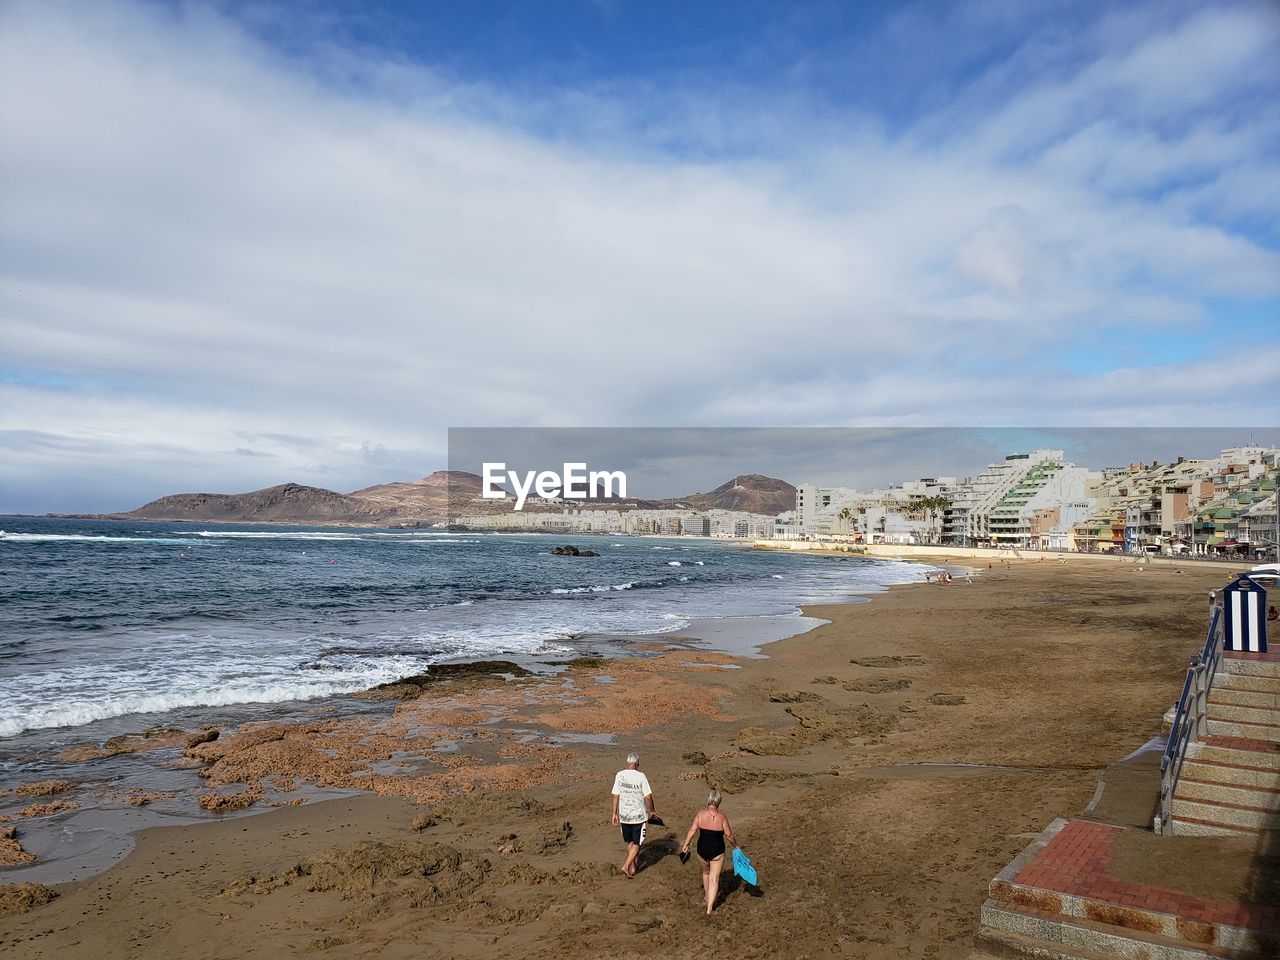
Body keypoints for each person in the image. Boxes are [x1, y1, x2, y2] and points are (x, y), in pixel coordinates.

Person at [681, 789, 738, 915]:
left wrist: (686, 844)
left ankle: (707, 897)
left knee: (706, 873)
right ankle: (709, 909)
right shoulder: (721, 817)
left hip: (702, 849)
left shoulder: (701, 814)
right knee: (714, 879)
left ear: (708, 800)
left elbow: (692, 830)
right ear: (718, 802)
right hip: (717, 851)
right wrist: (736, 846)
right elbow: (729, 835)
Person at [610, 752, 655, 878]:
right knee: (638, 843)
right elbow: (648, 796)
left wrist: (614, 813)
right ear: (637, 764)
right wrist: (652, 811)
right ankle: (626, 866)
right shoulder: (641, 776)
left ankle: (633, 866)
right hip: (638, 816)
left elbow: (615, 795)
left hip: (624, 815)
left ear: (627, 764)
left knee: (629, 841)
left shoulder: (620, 775)